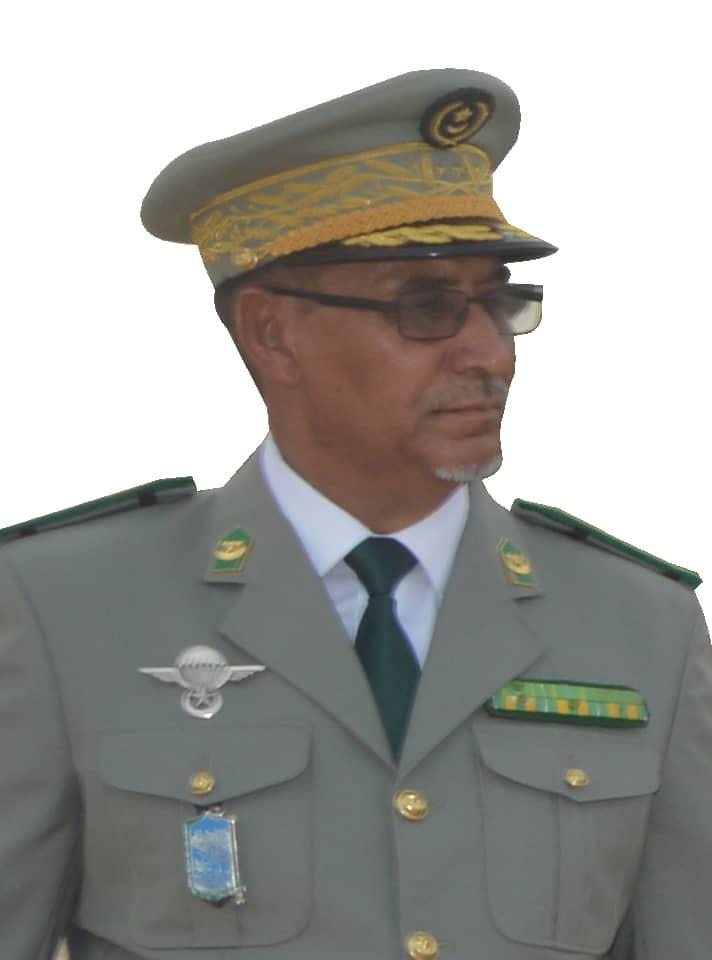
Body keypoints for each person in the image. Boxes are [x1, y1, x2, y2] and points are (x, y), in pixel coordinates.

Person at [1, 68, 710, 960]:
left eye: (500, 303)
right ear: (272, 333)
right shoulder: (63, 610)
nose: (489, 353)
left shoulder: (641, 626)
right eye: (427, 308)